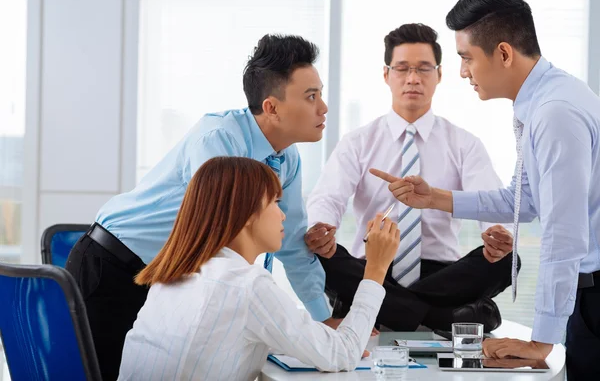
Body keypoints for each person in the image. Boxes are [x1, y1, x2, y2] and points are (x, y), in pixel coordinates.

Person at [65, 34, 338, 379]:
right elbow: (218, 233)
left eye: (321, 94)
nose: (323, 107)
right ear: (271, 107)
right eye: (311, 96)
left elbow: (293, 240)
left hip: (161, 277)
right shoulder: (219, 140)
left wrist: (320, 317)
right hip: (115, 265)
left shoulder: (287, 158)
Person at [372, 0, 600, 379]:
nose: (462, 72)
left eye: (466, 58)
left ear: (504, 53)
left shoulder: (554, 113)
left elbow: (565, 234)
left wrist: (540, 341)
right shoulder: (542, 103)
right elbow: (522, 200)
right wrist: (436, 198)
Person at [306, 23, 517, 333]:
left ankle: (383, 309)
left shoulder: (463, 143)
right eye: (402, 68)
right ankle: (442, 317)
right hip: (374, 268)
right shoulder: (358, 142)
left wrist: (498, 234)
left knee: (508, 260)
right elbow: (327, 197)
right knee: (320, 256)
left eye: (423, 69)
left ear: (440, 74)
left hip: (445, 275)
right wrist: (321, 228)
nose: (413, 79)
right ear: (386, 74)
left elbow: (490, 200)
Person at [117, 157, 400, 380]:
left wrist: (315, 334)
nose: (283, 214)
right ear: (244, 213)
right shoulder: (245, 284)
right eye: (275, 202)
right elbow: (343, 355)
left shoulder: (175, 275)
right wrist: (375, 269)